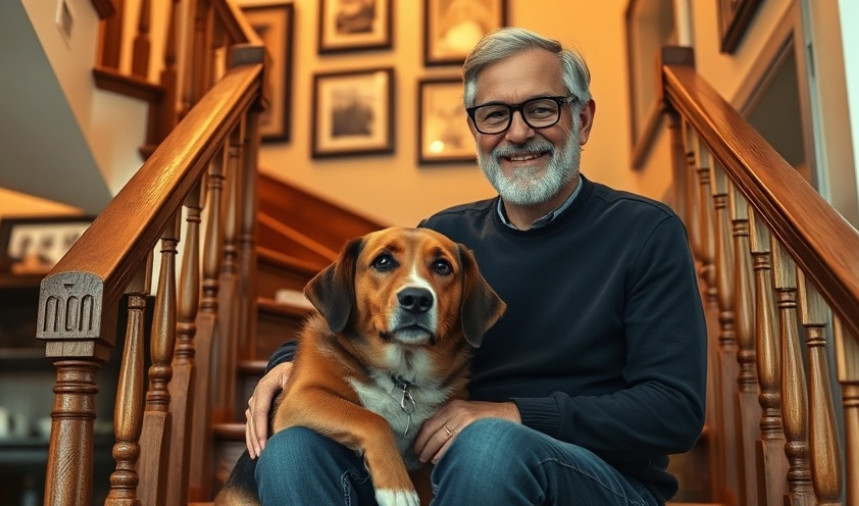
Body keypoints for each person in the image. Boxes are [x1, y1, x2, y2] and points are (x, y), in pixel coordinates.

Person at [245, 27, 707, 505]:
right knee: (292, 450)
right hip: (447, 472)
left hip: (599, 479)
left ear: (583, 119)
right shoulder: (444, 242)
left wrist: (514, 414)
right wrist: (285, 368)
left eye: (541, 108)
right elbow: (352, 317)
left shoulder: (646, 232)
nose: (519, 132)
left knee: (486, 446)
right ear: (476, 132)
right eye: (494, 115)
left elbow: (673, 412)